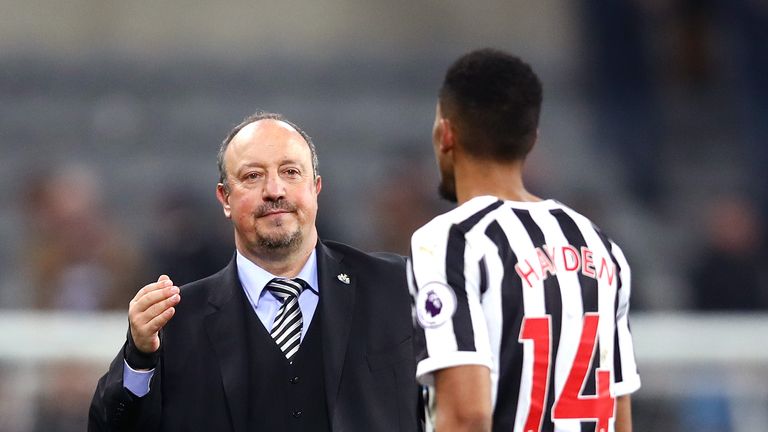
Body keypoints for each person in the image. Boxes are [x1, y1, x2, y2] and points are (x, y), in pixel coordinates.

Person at [89, 112, 421, 431]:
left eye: (291, 172)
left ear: (315, 188)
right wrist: (139, 358)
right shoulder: (175, 322)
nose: (275, 191)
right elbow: (111, 426)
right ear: (225, 198)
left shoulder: (396, 286)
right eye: (252, 176)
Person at [408, 49, 641, 432]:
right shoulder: (601, 247)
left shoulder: (452, 241)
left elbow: (468, 417)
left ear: (446, 134)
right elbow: (619, 416)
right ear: (531, 140)